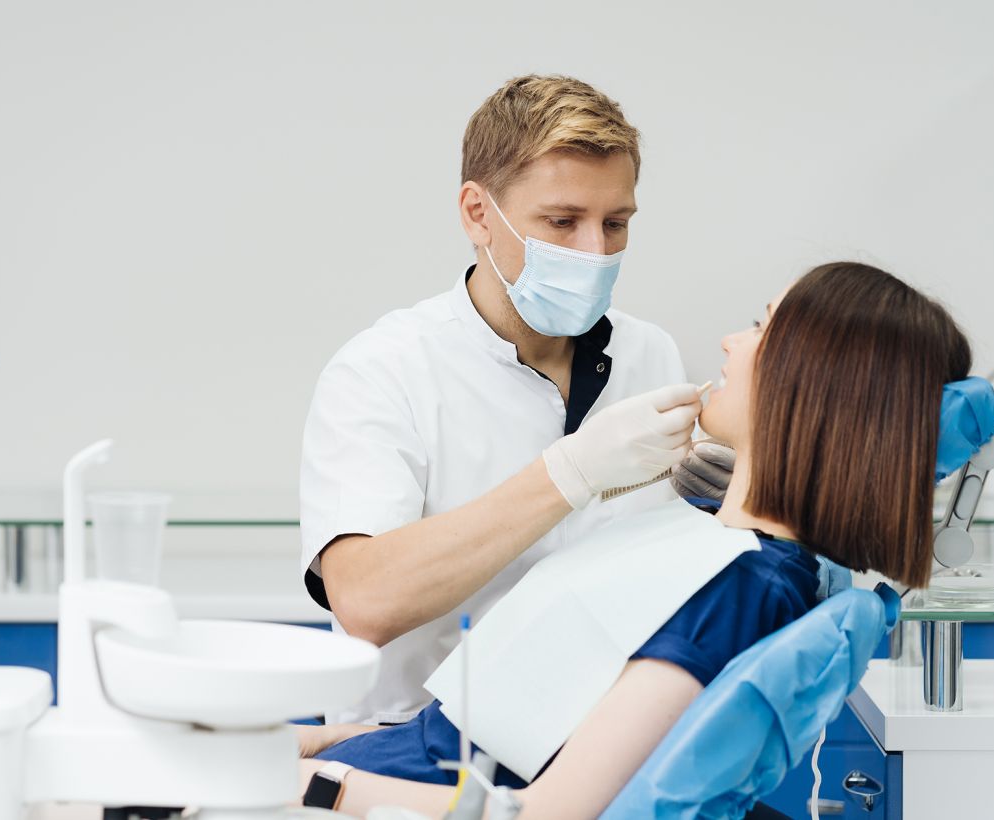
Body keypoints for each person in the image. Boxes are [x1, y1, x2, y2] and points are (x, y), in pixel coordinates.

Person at [297, 262, 970, 818]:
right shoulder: (721, 549)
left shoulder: (740, 590)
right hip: (394, 760)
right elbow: (498, 735)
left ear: (812, 385)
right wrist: (322, 746)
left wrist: (315, 784)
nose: (731, 342)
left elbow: (551, 812)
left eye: (762, 327)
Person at [299, 74, 733, 726]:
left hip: (601, 748)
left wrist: (723, 513)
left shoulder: (650, 354)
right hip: (418, 754)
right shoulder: (382, 371)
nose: (596, 252)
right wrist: (569, 473)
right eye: (562, 222)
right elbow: (364, 601)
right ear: (478, 213)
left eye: (615, 224)